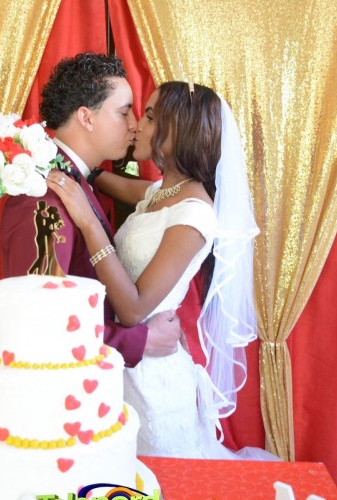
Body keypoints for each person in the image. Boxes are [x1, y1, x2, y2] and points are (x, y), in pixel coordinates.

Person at [47, 81, 278, 460]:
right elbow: (97, 178)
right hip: (122, 367)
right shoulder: (160, 193)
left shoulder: (195, 214)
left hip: (154, 382)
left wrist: (88, 224)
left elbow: (134, 309)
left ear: (179, 133)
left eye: (151, 118)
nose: (136, 125)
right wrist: (58, 160)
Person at [0, 52, 181, 367]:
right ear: (86, 118)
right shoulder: (45, 198)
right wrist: (140, 340)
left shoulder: (73, 180)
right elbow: (39, 318)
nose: (135, 125)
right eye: (124, 112)